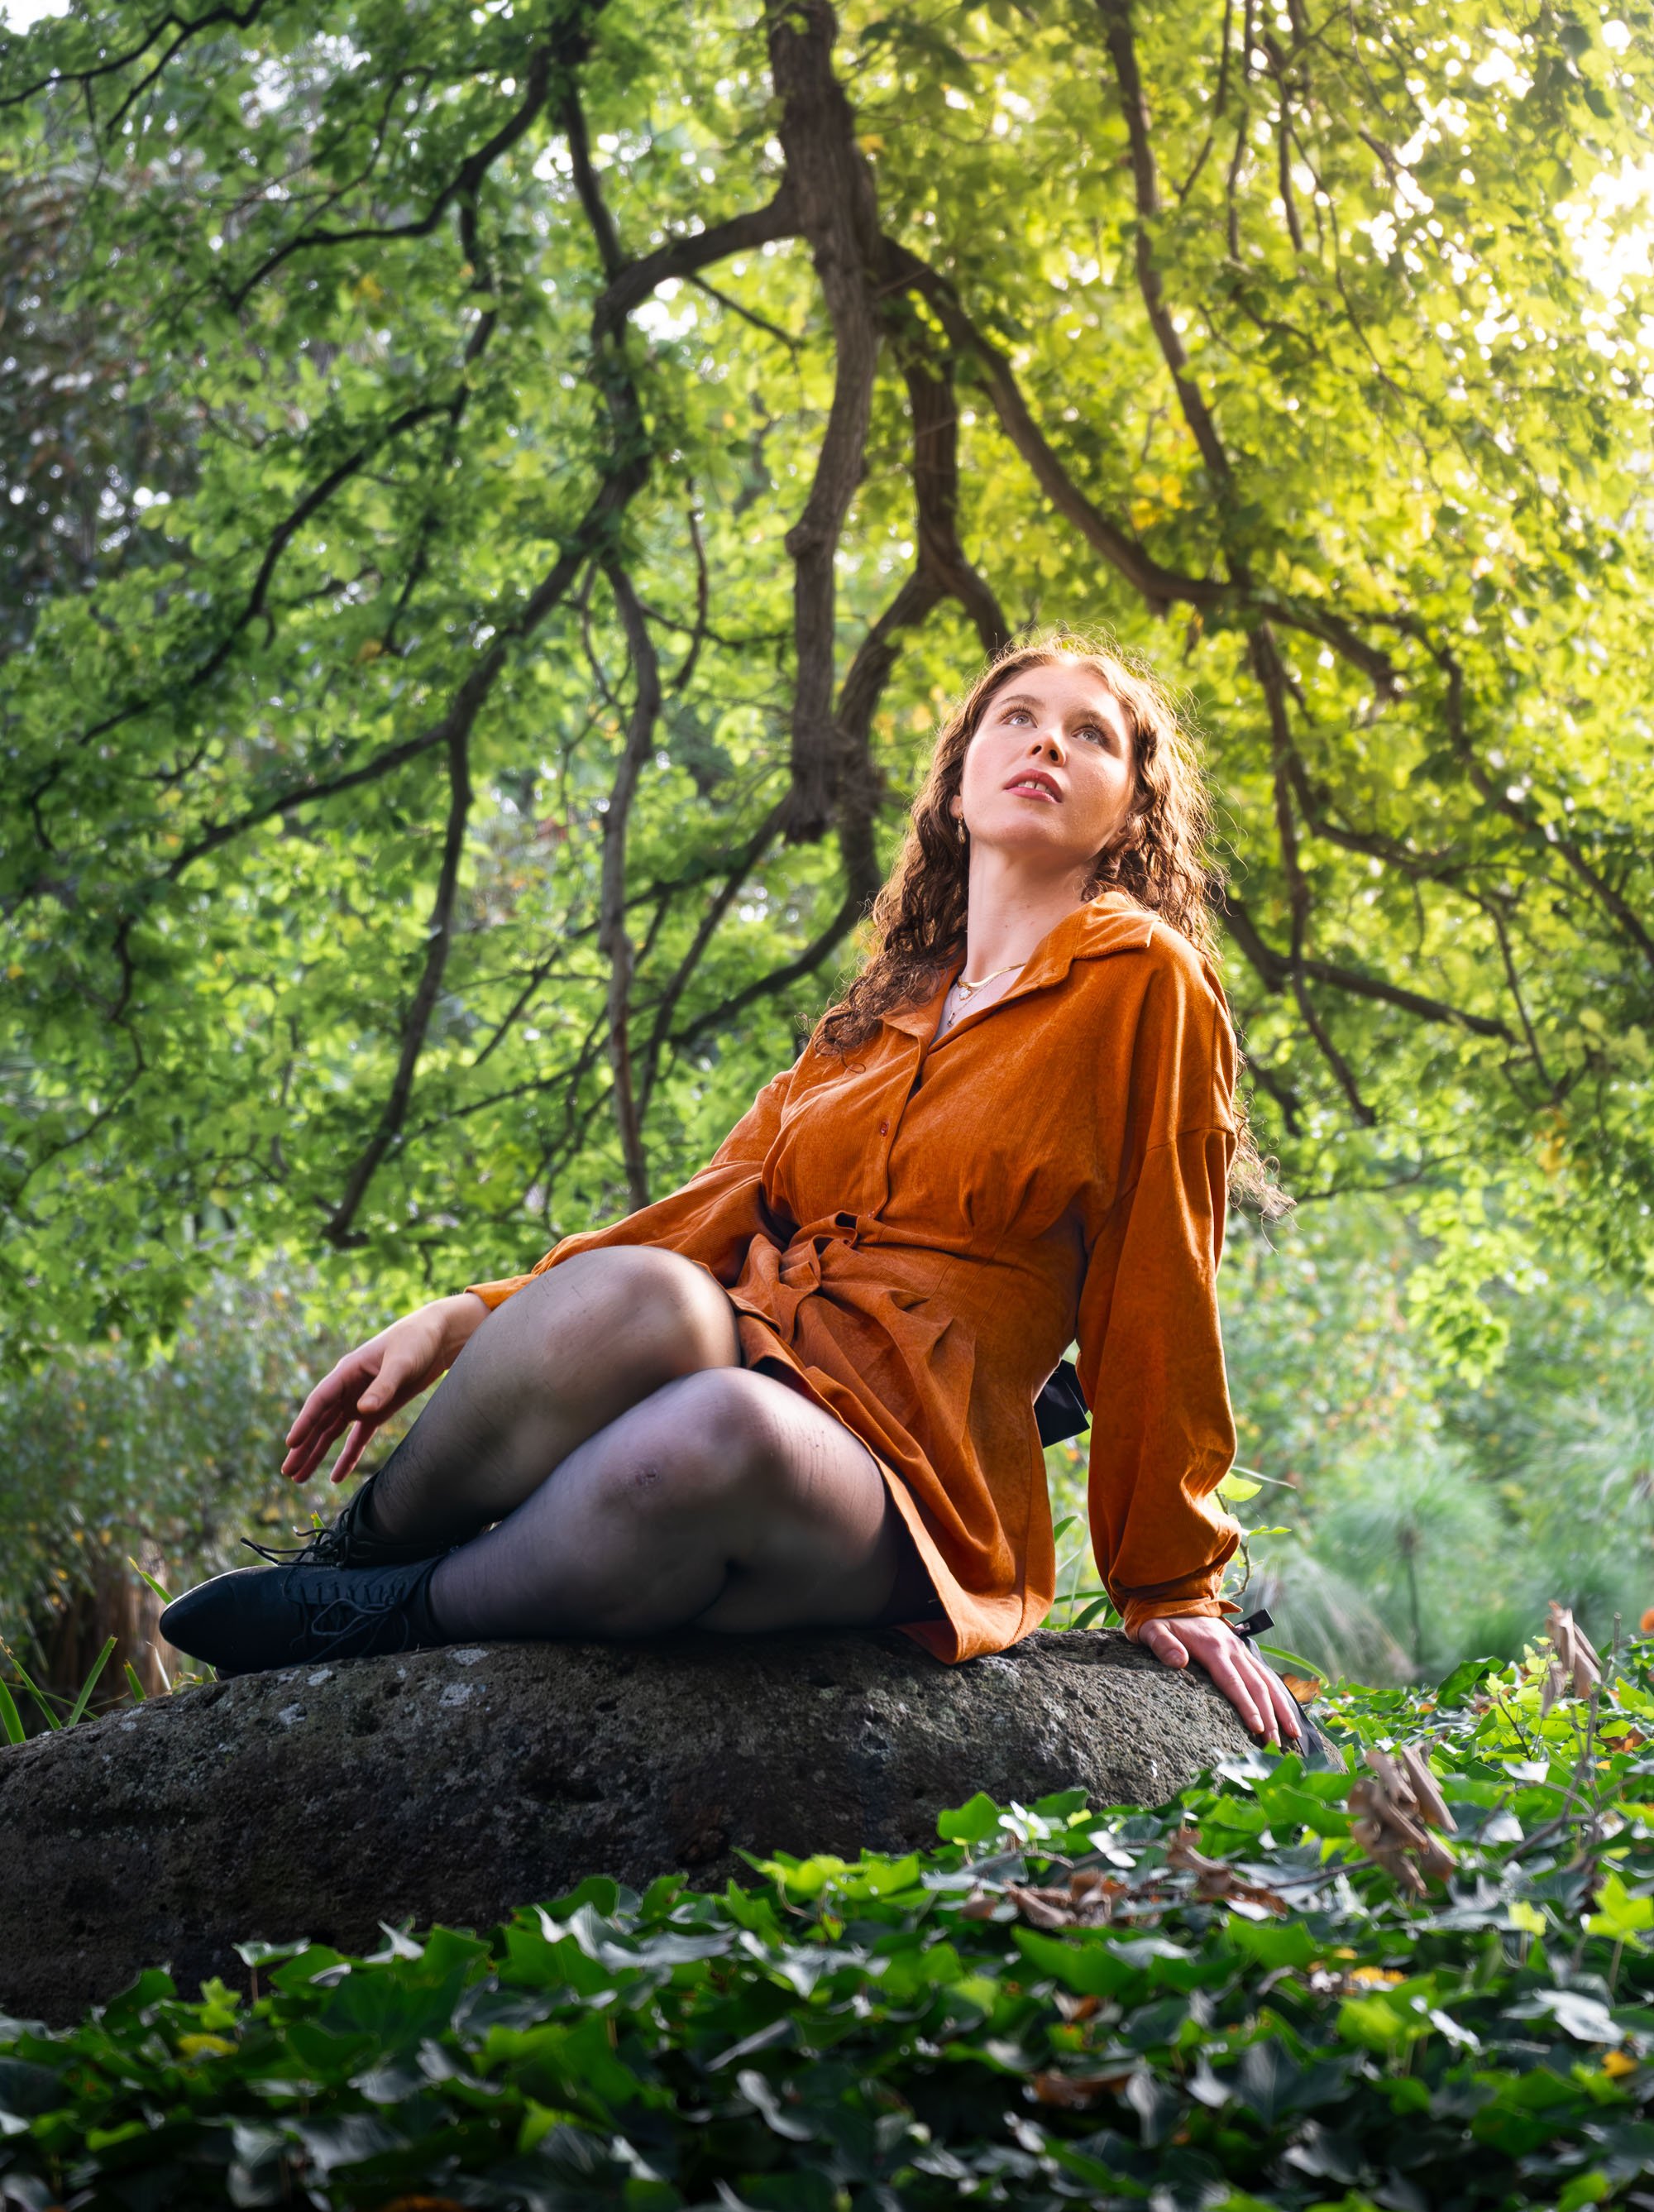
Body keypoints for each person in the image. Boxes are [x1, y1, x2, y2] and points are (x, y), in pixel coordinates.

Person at [164, 632, 1307, 1752]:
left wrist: (1172, 1581)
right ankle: (345, 1566)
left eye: (1090, 736)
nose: (1046, 744)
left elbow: (1160, 1276)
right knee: (639, 1292)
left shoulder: (1144, 980)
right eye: (1018, 717)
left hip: (906, 1475)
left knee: (719, 1429)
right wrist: (467, 1317)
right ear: (959, 782)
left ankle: (401, 1616)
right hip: (775, 1339)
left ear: (1128, 813)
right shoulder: (879, 1010)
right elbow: (719, 1202)